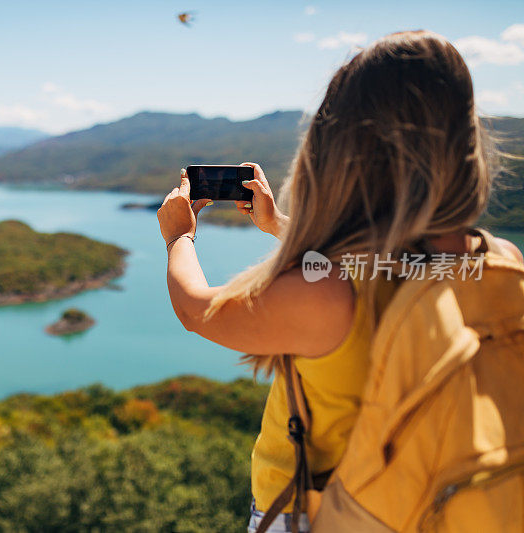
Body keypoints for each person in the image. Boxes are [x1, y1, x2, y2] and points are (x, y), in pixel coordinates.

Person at [156, 30, 524, 533]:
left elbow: (196, 309)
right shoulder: (495, 259)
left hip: (326, 514)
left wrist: (179, 236)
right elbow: (385, 268)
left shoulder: (325, 295)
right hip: (443, 506)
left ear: (339, 152)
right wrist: (278, 226)